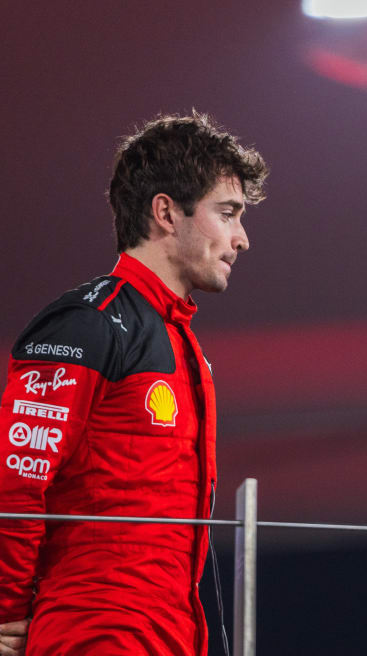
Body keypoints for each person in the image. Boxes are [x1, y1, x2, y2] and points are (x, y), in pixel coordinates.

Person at [0, 112, 267, 655]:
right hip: (93, 632)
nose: (242, 239)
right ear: (166, 212)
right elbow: (15, 483)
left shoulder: (182, 341)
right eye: (228, 213)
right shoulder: (86, 322)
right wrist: (3, 614)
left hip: (173, 634)